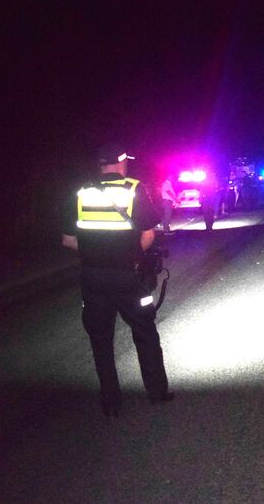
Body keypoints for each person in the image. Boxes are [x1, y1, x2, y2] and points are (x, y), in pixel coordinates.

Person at [61, 143, 174, 416]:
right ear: (122, 163)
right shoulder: (133, 190)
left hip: (93, 277)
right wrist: (126, 255)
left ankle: (111, 402)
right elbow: (148, 235)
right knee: (145, 333)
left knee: (100, 340)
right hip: (128, 276)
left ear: (100, 165)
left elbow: (67, 240)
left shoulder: (80, 192)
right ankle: (157, 393)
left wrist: (95, 254)